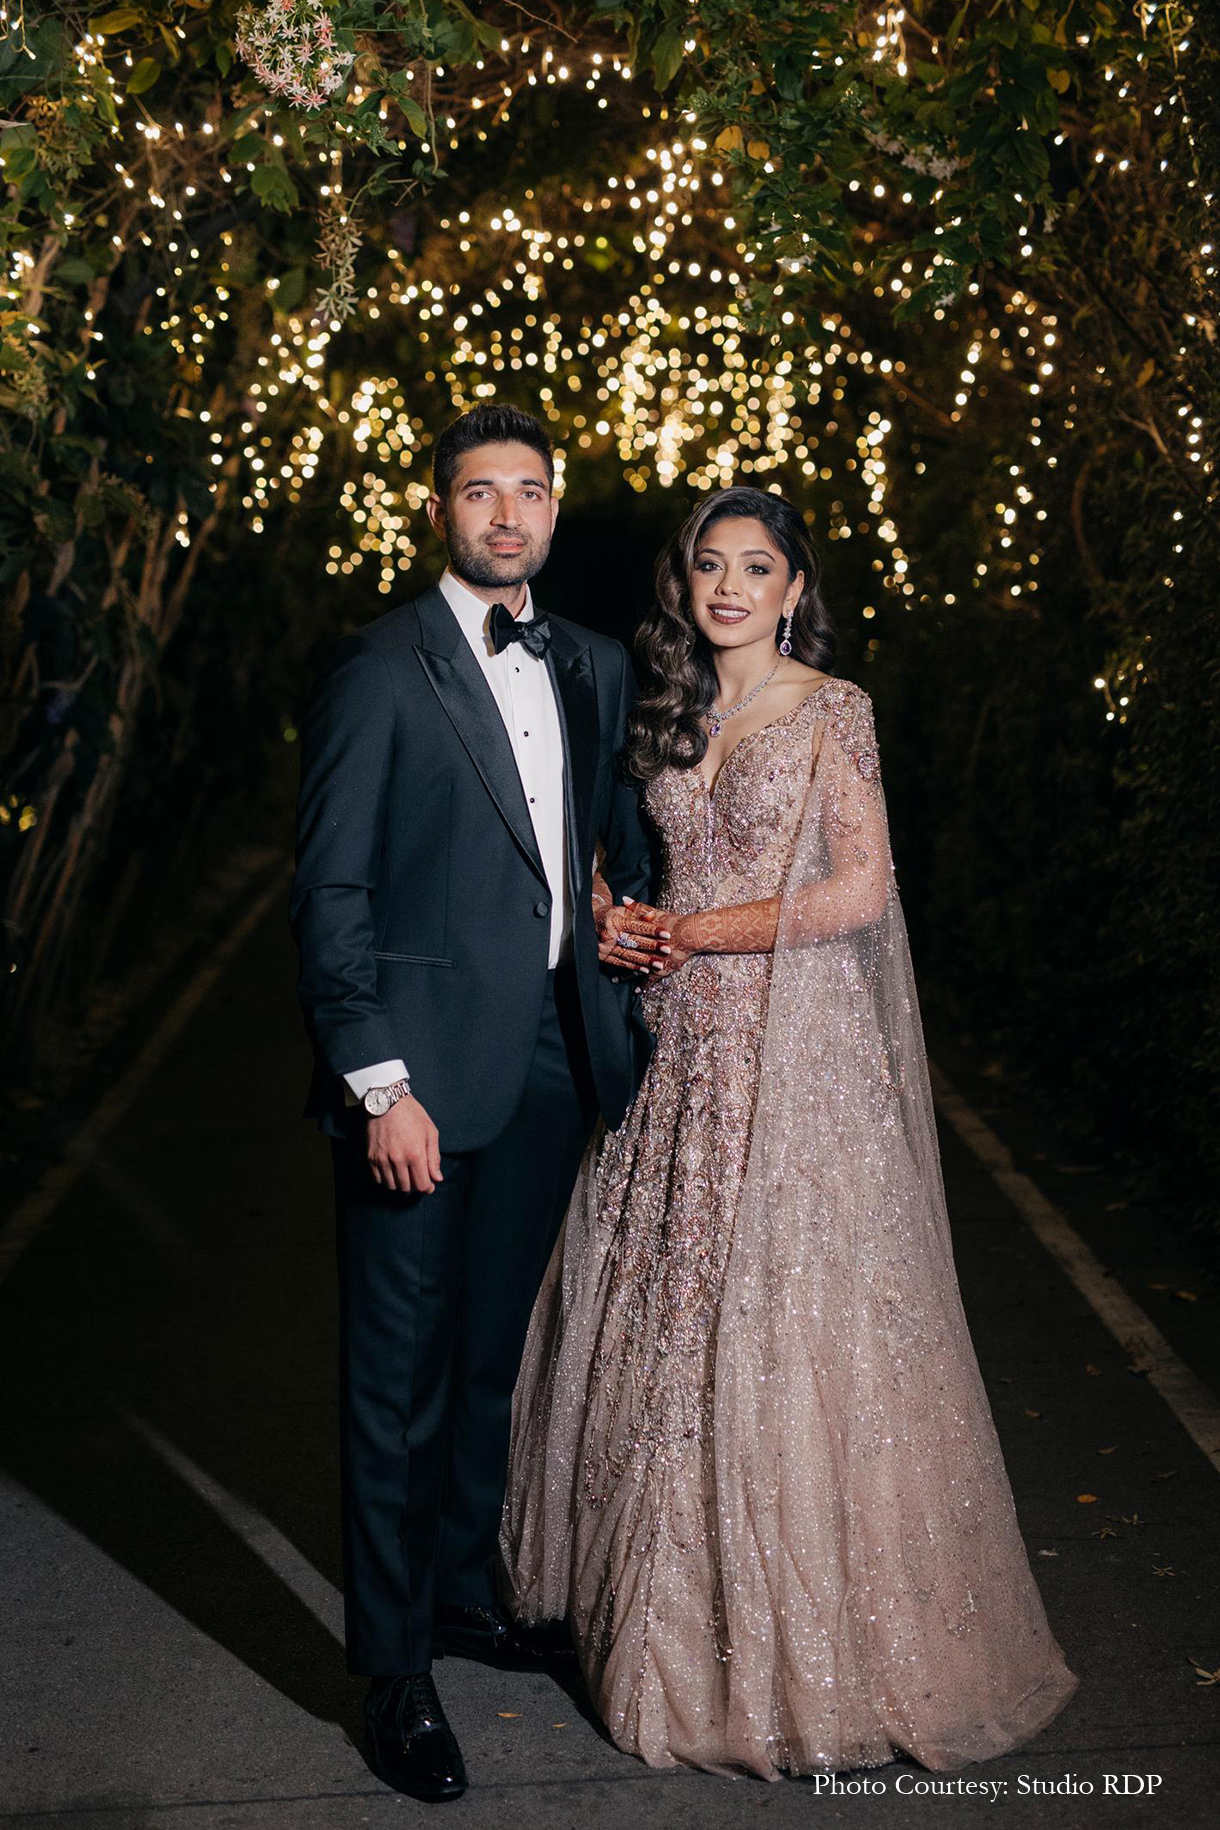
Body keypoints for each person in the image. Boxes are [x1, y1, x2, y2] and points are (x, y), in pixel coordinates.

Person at [502, 484, 1079, 1779]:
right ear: (683, 583)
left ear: (794, 588)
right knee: (671, 1310)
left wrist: (698, 930)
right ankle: (662, 1622)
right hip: (680, 1050)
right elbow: (611, 854)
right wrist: (613, 912)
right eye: (710, 565)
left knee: (793, 1315)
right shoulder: (662, 708)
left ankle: (810, 1648)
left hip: (797, 1053)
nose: (730, 588)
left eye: (755, 567)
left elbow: (862, 888)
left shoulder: (832, 710)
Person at [289, 403, 656, 1802]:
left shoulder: (595, 662)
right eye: (481, 491)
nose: (509, 514)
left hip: (554, 1063)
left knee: (492, 1363)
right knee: (397, 1383)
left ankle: (456, 1593)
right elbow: (331, 892)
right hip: (420, 1083)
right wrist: (377, 1081)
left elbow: (598, 848)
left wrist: (616, 918)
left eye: (531, 491)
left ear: (555, 510)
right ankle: (392, 1674)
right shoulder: (379, 669)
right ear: (440, 509)